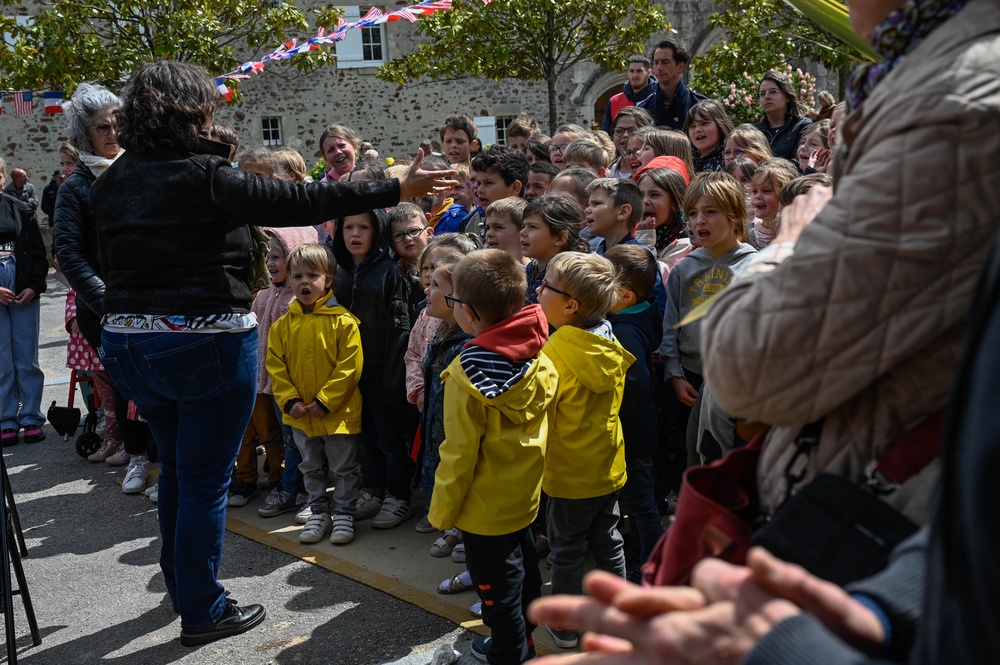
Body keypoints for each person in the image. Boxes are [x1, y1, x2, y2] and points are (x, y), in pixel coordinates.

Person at [91, 60, 456, 647]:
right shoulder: (203, 174)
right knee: (203, 482)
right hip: (204, 343)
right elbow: (298, 201)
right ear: (192, 109)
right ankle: (202, 608)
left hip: (130, 343)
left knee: (181, 472)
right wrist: (395, 189)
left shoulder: (113, 177)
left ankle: (184, 585)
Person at [428, 249, 557, 665]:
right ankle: (523, 643)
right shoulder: (538, 351)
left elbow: (459, 454)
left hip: (484, 510)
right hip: (525, 497)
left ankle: (510, 653)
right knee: (523, 579)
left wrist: (442, 512)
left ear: (467, 312)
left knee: (496, 595)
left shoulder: (465, 376)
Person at [53, 82, 156, 488]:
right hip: (106, 307)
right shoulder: (76, 188)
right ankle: (135, 457)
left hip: (154, 297)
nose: (113, 133)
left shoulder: (143, 168)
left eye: (117, 124)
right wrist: (109, 301)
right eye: (102, 127)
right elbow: (71, 256)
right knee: (127, 385)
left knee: (160, 383)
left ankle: (163, 459)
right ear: (85, 135)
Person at [537, 251, 633, 649]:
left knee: (566, 551)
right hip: (606, 467)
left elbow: (538, 407)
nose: (538, 290)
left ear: (570, 306)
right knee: (609, 541)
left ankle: (565, 624)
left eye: (546, 285)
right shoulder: (607, 338)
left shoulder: (557, 351)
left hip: (567, 473)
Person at [330, 207, 423, 529]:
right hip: (348, 375)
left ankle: (398, 496)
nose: (355, 234)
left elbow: (400, 331)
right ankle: (374, 488)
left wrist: (393, 381)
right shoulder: (337, 271)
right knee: (365, 437)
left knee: (388, 439)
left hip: (382, 375)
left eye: (363, 228)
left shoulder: (389, 274)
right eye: (348, 227)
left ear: (377, 231)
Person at [267, 243, 364, 545]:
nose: (304, 282)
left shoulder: (343, 322)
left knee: (343, 467)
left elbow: (350, 368)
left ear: (329, 279)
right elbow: (276, 366)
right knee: (309, 465)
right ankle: (318, 510)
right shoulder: (282, 326)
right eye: (297, 276)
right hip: (301, 415)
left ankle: (345, 513)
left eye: (312, 275)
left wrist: (325, 401)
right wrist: (290, 401)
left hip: (336, 414)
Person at [660, 173, 756, 465]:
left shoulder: (755, 265)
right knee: (695, 451)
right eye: (693, 213)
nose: (699, 220)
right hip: (690, 376)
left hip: (733, 381)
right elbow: (670, 326)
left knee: (725, 455)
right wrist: (673, 373)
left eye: (710, 211)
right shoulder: (684, 268)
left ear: (736, 215)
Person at [604, 244, 664, 583]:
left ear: (624, 296)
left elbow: (636, 381)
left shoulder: (623, 331)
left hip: (632, 433)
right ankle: (639, 551)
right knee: (638, 501)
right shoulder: (638, 313)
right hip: (638, 428)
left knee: (641, 503)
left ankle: (651, 564)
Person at [0, 156, 47, 447]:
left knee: (26, 357)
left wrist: (33, 286)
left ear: (3, 176)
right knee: (1, 360)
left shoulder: (20, 209)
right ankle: (5, 419)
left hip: (21, 289)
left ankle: (30, 416)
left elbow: (39, 255)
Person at [521, 193, 590, 304]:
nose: (522, 232)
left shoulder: (568, 277)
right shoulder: (531, 268)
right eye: (523, 226)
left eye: (532, 227)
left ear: (560, 238)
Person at [637, 38, 706, 130]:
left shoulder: (700, 105)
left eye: (665, 62)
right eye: (656, 63)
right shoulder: (643, 109)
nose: (659, 68)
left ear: (680, 67)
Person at [753, 70, 813, 161]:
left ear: (787, 96)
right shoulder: (754, 131)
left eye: (773, 92)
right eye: (762, 94)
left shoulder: (803, 126)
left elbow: (799, 162)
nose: (766, 97)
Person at [747, 158, 800, 249]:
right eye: (754, 191)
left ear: (785, 194)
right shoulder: (747, 233)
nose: (758, 196)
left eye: (766, 191)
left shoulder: (795, 234)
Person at [601, 55, 658, 133]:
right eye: (632, 71)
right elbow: (606, 134)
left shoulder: (658, 98)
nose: (634, 75)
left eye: (639, 71)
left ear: (649, 73)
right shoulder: (614, 101)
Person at [684, 100, 735, 173]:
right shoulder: (685, 160)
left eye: (704, 123)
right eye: (692, 126)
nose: (697, 130)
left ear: (720, 125)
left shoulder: (730, 159)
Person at [471, 145, 528, 210]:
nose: (479, 190)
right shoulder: (471, 219)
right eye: (479, 183)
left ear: (515, 188)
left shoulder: (532, 219)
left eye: (488, 183)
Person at [608, 107, 655, 179]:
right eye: (619, 131)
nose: (625, 135)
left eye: (632, 130)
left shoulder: (657, 173)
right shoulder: (606, 173)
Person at [485, 197, 529, 263]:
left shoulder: (533, 270)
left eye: (498, 227)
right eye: (488, 228)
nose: (489, 233)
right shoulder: (482, 269)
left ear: (522, 231)